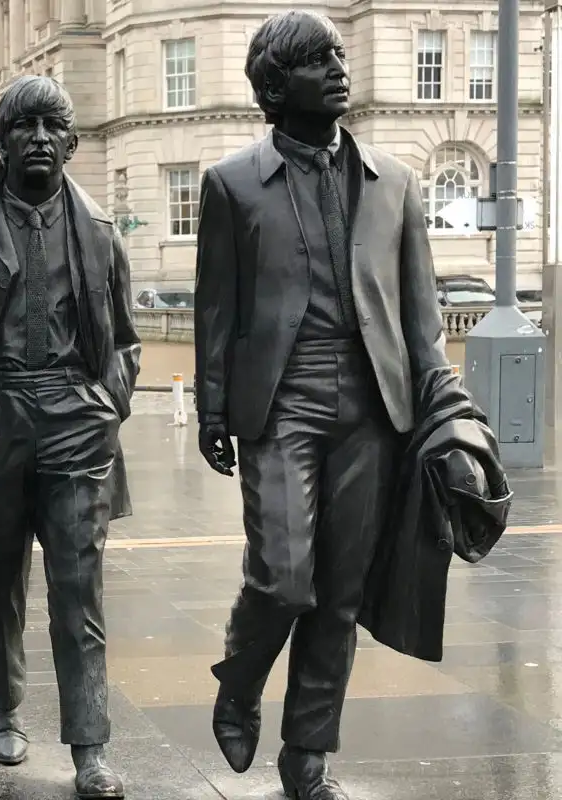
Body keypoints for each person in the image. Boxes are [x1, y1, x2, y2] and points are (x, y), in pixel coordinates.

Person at [193, 11, 453, 800]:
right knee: (283, 579)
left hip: (374, 407)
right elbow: (217, 309)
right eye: (316, 60)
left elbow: (421, 318)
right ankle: (240, 683)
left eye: (339, 54)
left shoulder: (394, 182)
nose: (339, 68)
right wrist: (211, 410)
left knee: (339, 592)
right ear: (274, 86)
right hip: (281, 401)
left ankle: (308, 756)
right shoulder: (231, 183)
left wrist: (447, 411)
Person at [0, 75, 140, 800]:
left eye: (53, 126)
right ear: (3, 141)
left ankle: (90, 743)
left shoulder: (101, 232)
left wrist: (106, 402)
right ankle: (3, 704)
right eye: (24, 126)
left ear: (73, 143)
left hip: (76, 419)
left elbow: (126, 343)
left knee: (79, 587)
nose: (39, 138)